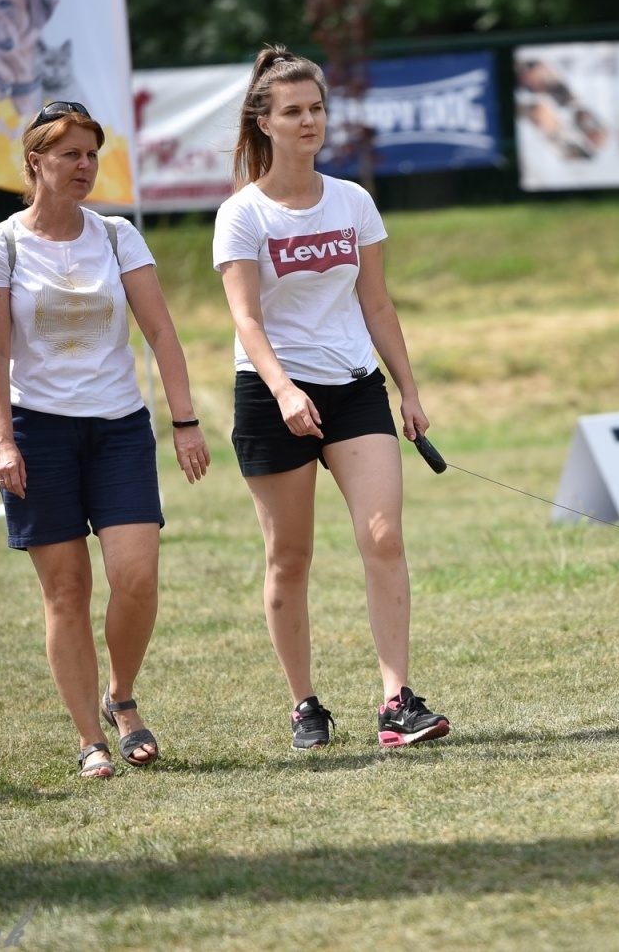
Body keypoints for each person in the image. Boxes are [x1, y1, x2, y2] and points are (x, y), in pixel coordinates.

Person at [0, 100, 210, 778]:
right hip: (36, 433)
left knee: (136, 576)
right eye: (69, 154)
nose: (84, 166)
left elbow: (161, 331)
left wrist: (184, 421)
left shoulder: (117, 236)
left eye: (91, 154)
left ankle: (120, 698)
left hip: (119, 428)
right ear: (35, 162)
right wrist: (1, 442)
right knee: (66, 590)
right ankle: (89, 740)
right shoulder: (0, 244)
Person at [213, 47, 450, 750]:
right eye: (293, 111)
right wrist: (284, 388)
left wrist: (408, 390)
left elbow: (376, 303)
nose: (309, 120)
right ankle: (304, 704)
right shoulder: (242, 214)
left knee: (385, 535)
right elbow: (246, 319)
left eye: (316, 108)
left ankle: (396, 702)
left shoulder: (353, 201)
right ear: (265, 121)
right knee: (290, 557)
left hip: (354, 392)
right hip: (272, 394)